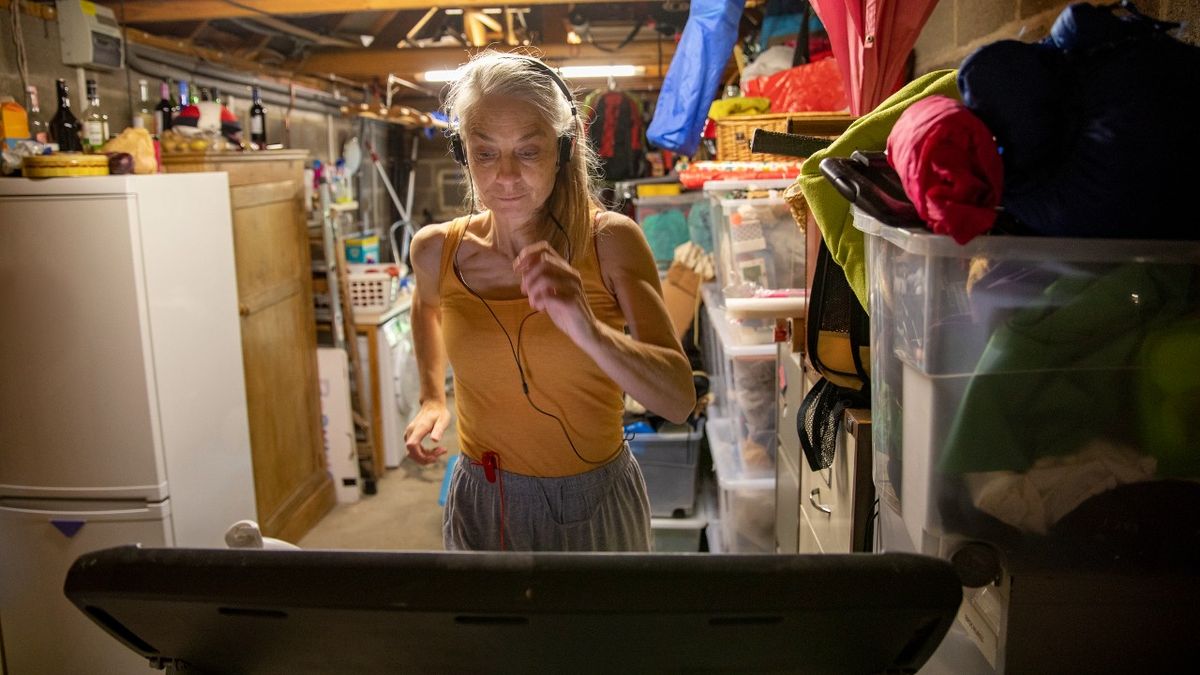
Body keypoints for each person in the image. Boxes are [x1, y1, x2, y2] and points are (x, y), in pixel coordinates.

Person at [404, 51, 696, 552]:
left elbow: (678, 400)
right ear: (462, 152)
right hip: (481, 499)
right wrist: (432, 395)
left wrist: (586, 327)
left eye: (529, 151)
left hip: (593, 500)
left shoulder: (609, 243)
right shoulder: (437, 251)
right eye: (486, 152)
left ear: (561, 151)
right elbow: (426, 308)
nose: (507, 175)